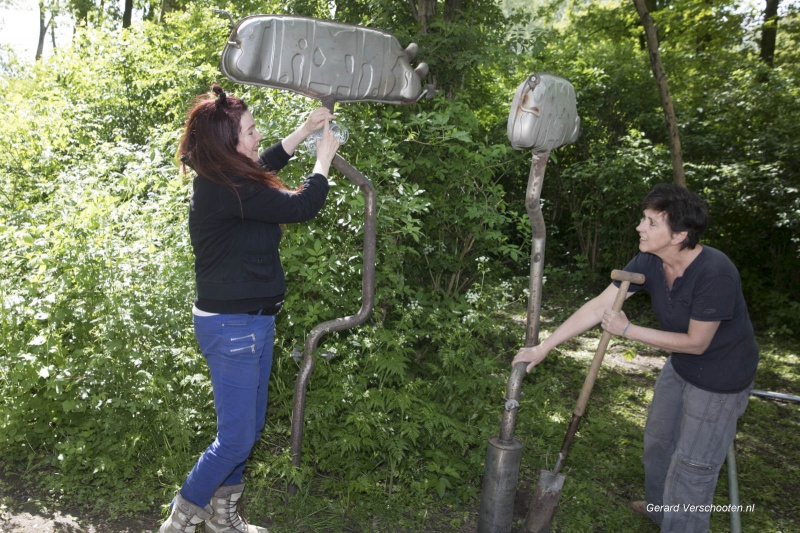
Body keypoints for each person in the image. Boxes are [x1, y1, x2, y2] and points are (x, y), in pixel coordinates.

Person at [513, 183, 758, 532]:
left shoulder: (714, 272)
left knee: (691, 468)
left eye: (651, 222)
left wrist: (628, 330)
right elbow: (600, 306)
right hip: (682, 366)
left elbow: (697, 342)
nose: (639, 228)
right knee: (658, 445)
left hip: (720, 378)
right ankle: (661, 510)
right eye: (644, 218)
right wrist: (545, 346)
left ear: (679, 235)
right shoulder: (649, 259)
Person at [159, 84, 339, 533]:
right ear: (228, 142)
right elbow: (302, 206)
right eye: (251, 130)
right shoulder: (229, 189)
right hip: (232, 325)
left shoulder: (227, 178)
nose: (258, 136)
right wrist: (324, 159)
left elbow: (261, 167)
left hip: (251, 322)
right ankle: (182, 516)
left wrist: (304, 131)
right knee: (237, 436)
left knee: (246, 430)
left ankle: (223, 518)